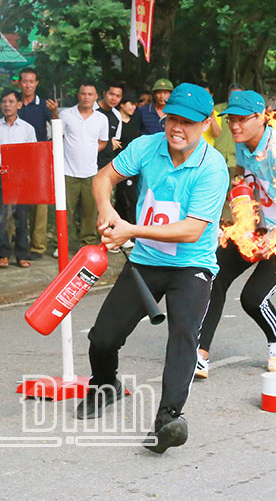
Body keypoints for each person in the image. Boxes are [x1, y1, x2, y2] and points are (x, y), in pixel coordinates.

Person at [79, 83, 228, 455]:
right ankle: (105, 385)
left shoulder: (212, 168)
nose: (177, 128)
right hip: (145, 261)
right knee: (102, 338)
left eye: (188, 123)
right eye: (172, 119)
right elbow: (103, 179)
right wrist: (107, 210)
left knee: (183, 336)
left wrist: (131, 229)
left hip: (191, 265)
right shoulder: (147, 146)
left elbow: (193, 230)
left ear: (206, 124)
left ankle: (169, 419)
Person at [195, 90, 276, 379]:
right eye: (230, 120)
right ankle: (199, 354)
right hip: (258, 227)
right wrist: (242, 215)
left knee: (253, 299)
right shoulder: (242, 145)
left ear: (260, 118)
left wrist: (273, 240)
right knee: (214, 275)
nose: (234, 126)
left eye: (241, 120)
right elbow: (244, 181)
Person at [0, 88, 37, 267]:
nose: (7, 105)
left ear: (19, 105)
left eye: (11, 101)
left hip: (21, 176)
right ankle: (2, 254)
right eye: (4, 101)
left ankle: (22, 254)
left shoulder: (28, 129)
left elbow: (32, 156)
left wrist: (29, 179)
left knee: (21, 216)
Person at [59, 81, 109, 247]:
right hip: (67, 172)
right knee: (66, 212)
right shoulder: (66, 115)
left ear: (96, 97)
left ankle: (87, 244)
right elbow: (58, 139)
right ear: (78, 95)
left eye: (90, 94)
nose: (86, 97)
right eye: (83, 93)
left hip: (90, 172)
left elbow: (103, 142)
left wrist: (89, 150)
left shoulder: (101, 119)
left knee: (90, 212)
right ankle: (64, 244)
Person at [18, 67, 57, 259]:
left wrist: (55, 112)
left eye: (31, 81)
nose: (28, 85)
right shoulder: (13, 102)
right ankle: (16, 245)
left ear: (36, 83)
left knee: (39, 205)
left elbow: (57, 128)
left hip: (38, 158)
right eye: (25, 81)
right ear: (20, 82)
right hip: (16, 159)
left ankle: (38, 246)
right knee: (16, 205)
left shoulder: (43, 106)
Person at [111, 91, 143, 226]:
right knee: (124, 198)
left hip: (135, 166)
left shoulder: (135, 122)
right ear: (122, 105)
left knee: (130, 197)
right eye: (130, 104)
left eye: (135, 105)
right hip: (119, 166)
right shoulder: (115, 123)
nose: (133, 107)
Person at [211, 83, 245, 175]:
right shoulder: (216, 110)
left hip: (236, 161)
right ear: (228, 96)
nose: (236, 98)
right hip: (215, 159)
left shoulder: (247, 114)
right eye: (233, 96)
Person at [95, 81, 124, 171]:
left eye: (118, 96)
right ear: (104, 93)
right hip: (89, 164)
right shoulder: (91, 110)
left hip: (107, 165)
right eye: (111, 94)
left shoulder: (117, 115)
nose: (114, 98)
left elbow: (115, 142)